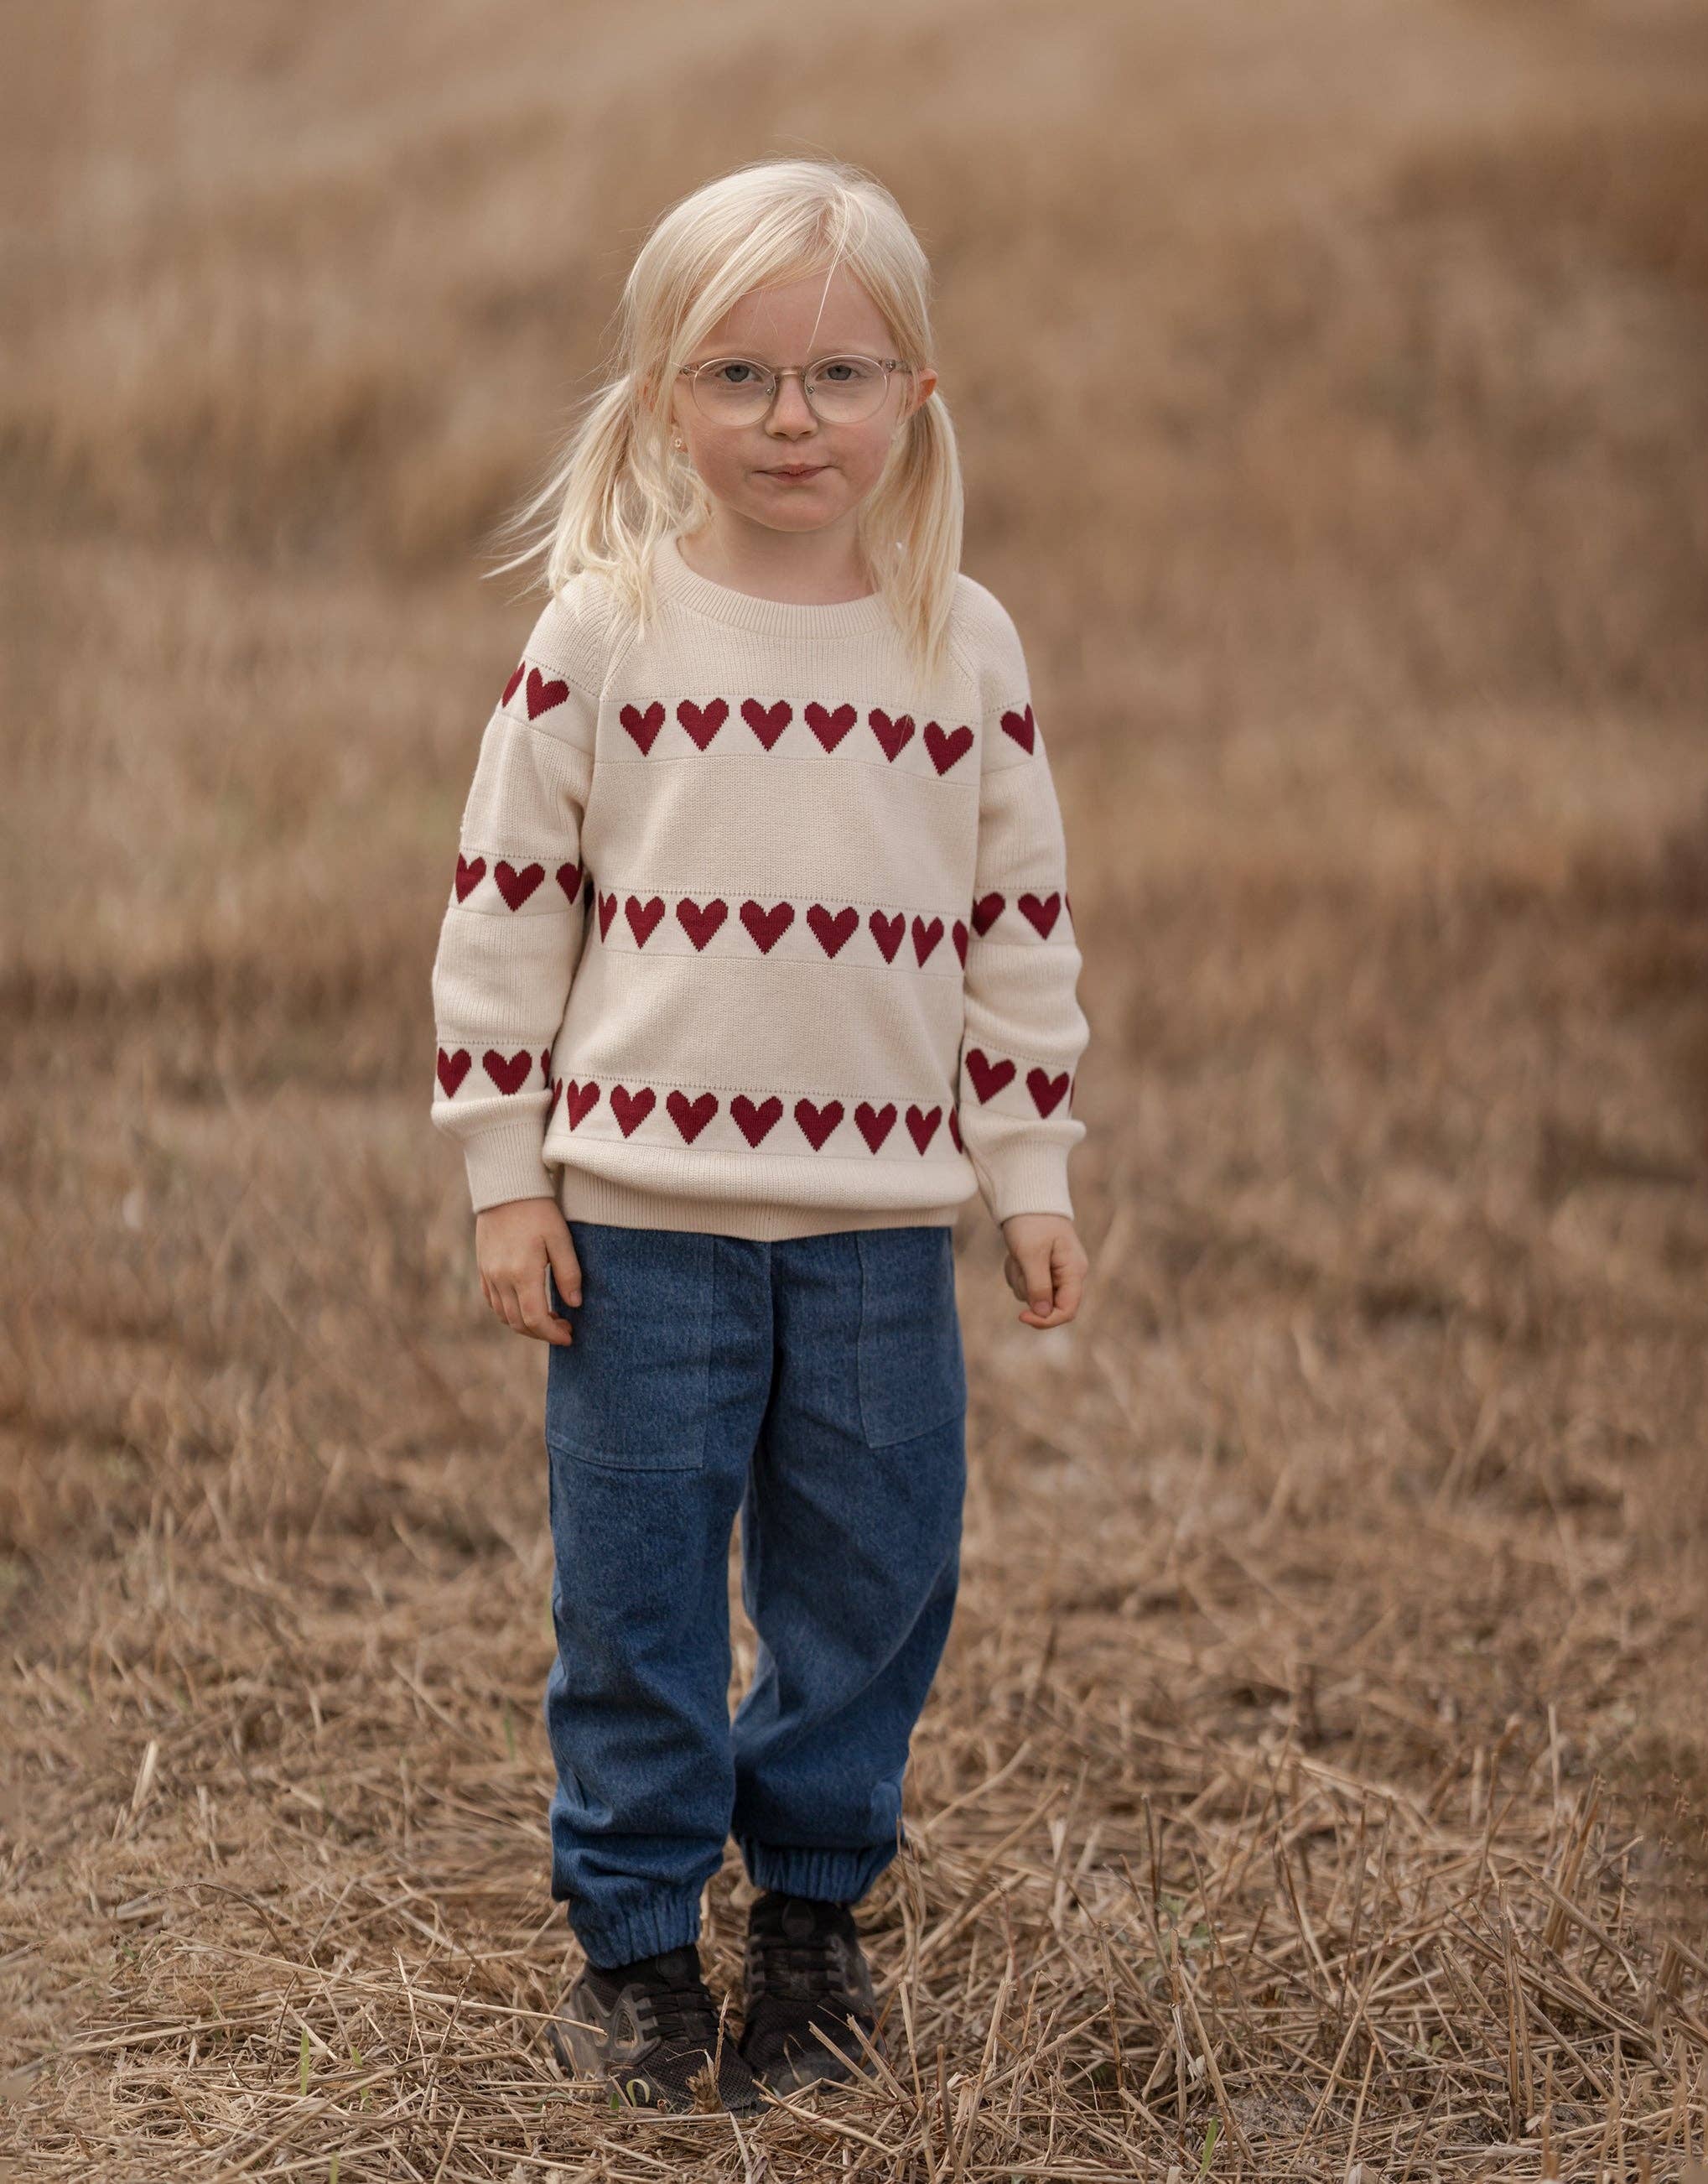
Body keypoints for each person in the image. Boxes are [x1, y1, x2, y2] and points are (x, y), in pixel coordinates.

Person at [428, 153, 1091, 2116]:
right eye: (736, 378)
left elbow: (1014, 928)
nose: (789, 422)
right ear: (658, 404)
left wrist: (1029, 1166)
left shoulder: (958, 644)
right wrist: (504, 1173)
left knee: (870, 1578)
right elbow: (504, 908)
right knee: (633, 1591)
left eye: (838, 377)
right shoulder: (603, 629)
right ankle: (633, 1950)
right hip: (641, 1225)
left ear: (918, 401)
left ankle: (809, 1918)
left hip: (883, 1231)